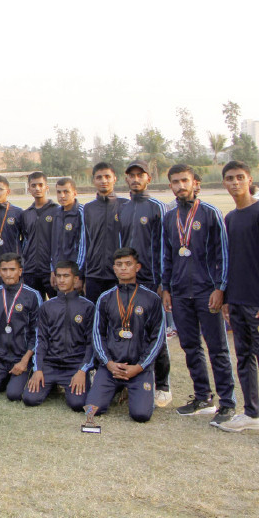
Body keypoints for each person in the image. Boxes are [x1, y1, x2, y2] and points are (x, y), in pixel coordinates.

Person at [161, 163, 234, 423]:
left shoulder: (211, 213)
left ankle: (227, 403)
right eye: (175, 182)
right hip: (180, 293)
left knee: (218, 348)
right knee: (190, 346)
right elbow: (167, 255)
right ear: (170, 186)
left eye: (184, 180)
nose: (180, 186)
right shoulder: (169, 217)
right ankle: (202, 396)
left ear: (195, 183)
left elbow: (223, 255)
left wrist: (220, 288)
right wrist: (166, 287)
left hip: (207, 292)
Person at [86, 247, 164, 423]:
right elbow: (97, 335)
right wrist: (109, 363)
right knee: (92, 409)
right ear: (114, 269)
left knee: (141, 415)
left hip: (138, 368)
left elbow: (158, 339)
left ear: (137, 267)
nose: (123, 268)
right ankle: (113, 388)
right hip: (111, 367)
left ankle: (139, 388)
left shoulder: (151, 299)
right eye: (119, 265)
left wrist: (140, 366)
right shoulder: (105, 298)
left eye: (128, 264)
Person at [120, 160, 172, 407]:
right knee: (131, 328)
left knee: (156, 333)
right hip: (130, 280)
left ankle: (163, 384)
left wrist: (163, 282)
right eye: (131, 175)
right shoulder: (125, 207)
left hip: (152, 280)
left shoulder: (157, 207)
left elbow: (166, 247)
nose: (135, 179)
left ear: (148, 178)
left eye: (140, 175)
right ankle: (135, 381)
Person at [218, 160, 259, 432]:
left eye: (239, 177)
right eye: (230, 178)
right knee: (243, 356)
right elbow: (231, 261)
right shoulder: (231, 218)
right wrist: (228, 298)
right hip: (239, 300)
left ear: (249, 179)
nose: (235, 183)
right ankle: (252, 413)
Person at [23, 261, 94, 411]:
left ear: (75, 279)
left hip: (74, 365)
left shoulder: (88, 307)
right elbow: (40, 340)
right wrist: (38, 369)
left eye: (66, 276)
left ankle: (80, 381)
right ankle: (51, 384)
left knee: (77, 404)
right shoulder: (47, 306)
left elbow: (91, 343)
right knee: (30, 399)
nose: (61, 280)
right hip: (50, 364)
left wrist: (82, 370)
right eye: (58, 276)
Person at [0, 253, 41, 400]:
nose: (8, 274)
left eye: (12, 269)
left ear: (20, 271)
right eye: (4, 270)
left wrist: (25, 361)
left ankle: (15, 378)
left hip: (21, 357)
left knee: (14, 395)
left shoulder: (32, 295)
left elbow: (36, 332)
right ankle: (4, 377)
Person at [82, 163, 128, 303]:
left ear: (115, 178)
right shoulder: (88, 208)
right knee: (94, 317)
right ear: (94, 181)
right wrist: (82, 274)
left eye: (107, 176)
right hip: (93, 275)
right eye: (99, 177)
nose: (103, 181)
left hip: (118, 274)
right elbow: (84, 243)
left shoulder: (125, 205)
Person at [20, 172, 58, 299]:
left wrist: (55, 267)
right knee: (34, 309)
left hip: (50, 270)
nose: (37, 188)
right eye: (33, 185)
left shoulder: (57, 211)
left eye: (40, 185)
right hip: (31, 270)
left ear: (47, 187)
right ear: (29, 188)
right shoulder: (26, 214)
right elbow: (25, 240)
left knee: (55, 307)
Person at [50, 177, 85, 290]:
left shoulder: (82, 212)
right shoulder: (56, 213)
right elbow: (54, 245)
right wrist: (53, 270)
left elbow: (83, 246)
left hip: (73, 273)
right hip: (59, 272)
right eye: (59, 192)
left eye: (66, 192)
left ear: (74, 193)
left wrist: (78, 274)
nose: (62, 196)